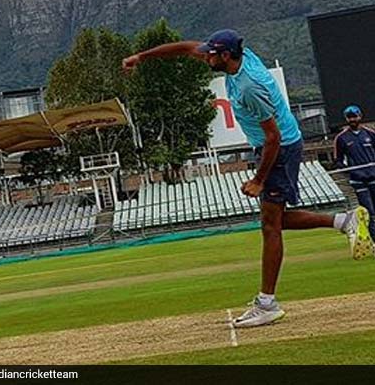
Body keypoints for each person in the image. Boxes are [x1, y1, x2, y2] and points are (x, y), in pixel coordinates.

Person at [122, 29, 372, 328]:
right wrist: (142, 57)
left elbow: (273, 138)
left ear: (226, 56)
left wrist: (258, 179)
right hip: (274, 145)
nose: (205, 57)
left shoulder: (250, 87)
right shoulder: (239, 57)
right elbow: (187, 48)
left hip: (281, 147)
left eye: (211, 54)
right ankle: (343, 222)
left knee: (270, 225)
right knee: (273, 220)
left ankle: (267, 303)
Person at [334, 105, 375, 244]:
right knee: (369, 212)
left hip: (374, 177)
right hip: (359, 181)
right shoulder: (341, 138)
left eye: (354, 116)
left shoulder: (370, 134)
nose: (352, 119)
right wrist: (352, 172)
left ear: (360, 116)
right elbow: (338, 161)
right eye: (349, 117)